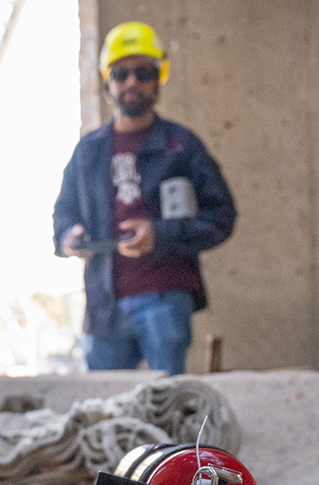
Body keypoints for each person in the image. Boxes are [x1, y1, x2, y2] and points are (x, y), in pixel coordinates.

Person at [53, 21, 236, 376]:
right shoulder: (88, 152)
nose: (132, 82)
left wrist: (161, 234)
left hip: (165, 299)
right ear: (108, 81)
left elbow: (221, 216)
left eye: (143, 72)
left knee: (164, 408)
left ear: (159, 77)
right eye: (121, 74)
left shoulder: (181, 146)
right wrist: (68, 237)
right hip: (104, 306)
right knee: (103, 415)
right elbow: (63, 212)